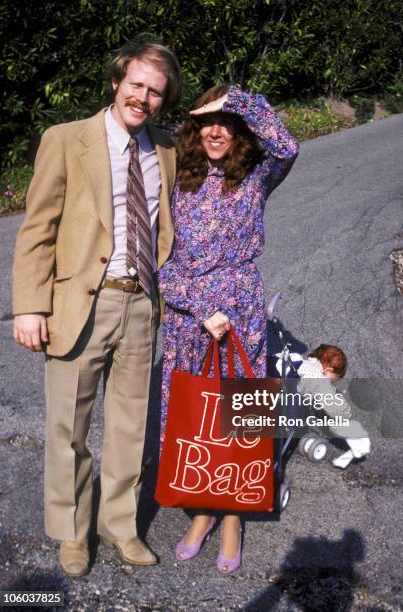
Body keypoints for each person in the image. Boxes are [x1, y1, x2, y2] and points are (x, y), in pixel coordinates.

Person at [11, 38, 181, 577]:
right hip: (80, 306)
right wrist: (29, 307)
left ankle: (121, 526)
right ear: (116, 83)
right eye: (136, 84)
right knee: (69, 431)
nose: (143, 98)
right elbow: (38, 228)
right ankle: (72, 534)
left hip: (140, 307)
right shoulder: (66, 140)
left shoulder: (169, 150)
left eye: (155, 91)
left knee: (131, 428)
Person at [158, 85, 299, 573]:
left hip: (240, 305)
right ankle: (201, 511)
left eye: (227, 123)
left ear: (240, 129)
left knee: (239, 413)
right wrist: (198, 305)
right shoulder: (179, 180)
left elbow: (288, 146)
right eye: (207, 123)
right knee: (192, 416)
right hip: (187, 314)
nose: (216, 131)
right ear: (195, 130)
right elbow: (162, 261)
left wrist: (233, 100)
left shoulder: (257, 177)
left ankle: (234, 513)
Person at [289, 344, 371, 468]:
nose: (330, 384)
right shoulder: (317, 378)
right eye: (333, 380)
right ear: (329, 370)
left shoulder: (299, 361)